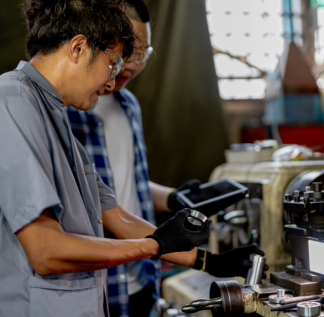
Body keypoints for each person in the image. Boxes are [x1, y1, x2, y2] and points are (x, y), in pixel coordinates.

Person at [0, 1, 214, 316]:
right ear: (77, 48)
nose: (112, 82)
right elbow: (45, 251)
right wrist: (154, 246)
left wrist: (210, 260)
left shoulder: (57, 119)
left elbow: (118, 218)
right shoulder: (13, 101)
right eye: (112, 63)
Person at [66, 1, 268, 316]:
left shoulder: (129, 106)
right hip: (97, 282)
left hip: (141, 275)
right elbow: (97, 207)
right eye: (126, 50)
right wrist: (197, 258)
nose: (131, 64)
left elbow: (125, 183)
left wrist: (176, 198)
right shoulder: (69, 107)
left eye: (142, 53)